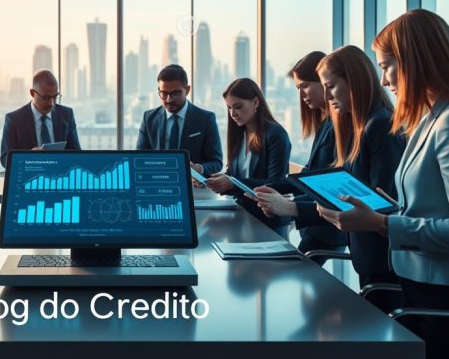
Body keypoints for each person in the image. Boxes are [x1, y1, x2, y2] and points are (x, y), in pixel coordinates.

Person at [317, 10, 449, 359]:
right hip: (426, 298)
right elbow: (434, 208)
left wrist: (382, 223)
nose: (383, 80)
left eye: (387, 66)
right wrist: (388, 212)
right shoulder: (434, 119)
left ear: (415, 62)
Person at [255, 45, 405, 312]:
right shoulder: (362, 125)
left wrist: (293, 207)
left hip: (383, 261)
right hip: (369, 257)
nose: (326, 96)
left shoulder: (379, 125)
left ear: (354, 81)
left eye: (331, 86)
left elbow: (381, 202)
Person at [231, 53, 346, 257]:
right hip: (314, 227)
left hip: (327, 228)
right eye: (298, 89)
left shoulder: (336, 127)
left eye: (304, 86)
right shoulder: (325, 124)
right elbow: (309, 178)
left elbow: (328, 185)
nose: (302, 95)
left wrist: (288, 204)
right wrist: (273, 194)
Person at [204, 78, 291, 233]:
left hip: (267, 220)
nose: (232, 114)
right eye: (229, 108)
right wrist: (213, 180)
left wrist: (233, 183)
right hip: (243, 215)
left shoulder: (276, 135)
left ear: (256, 102)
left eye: (238, 107)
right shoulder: (241, 134)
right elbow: (233, 174)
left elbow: (276, 183)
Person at [137, 64, 223, 177]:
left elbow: (216, 162)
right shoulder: (149, 118)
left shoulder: (206, 119)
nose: (169, 100)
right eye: (164, 93)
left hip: (192, 188)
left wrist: (199, 169)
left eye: (175, 94)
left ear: (187, 90)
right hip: (157, 184)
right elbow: (139, 158)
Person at [0, 69, 82, 168]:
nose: (52, 103)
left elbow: (77, 153)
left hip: (59, 174)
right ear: (32, 93)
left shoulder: (66, 115)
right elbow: (5, 159)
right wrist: (28, 157)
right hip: (29, 176)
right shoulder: (14, 120)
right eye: (46, 98)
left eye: (55, 97)